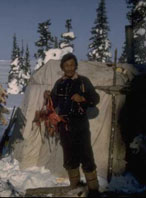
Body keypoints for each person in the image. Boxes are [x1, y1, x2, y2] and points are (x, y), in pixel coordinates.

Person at [44, 53, 100, 196]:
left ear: (75, 66)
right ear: (62, 67)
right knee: (69, 156)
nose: (69, 68)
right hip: (64, 125)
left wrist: (82, 98)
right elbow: (54, 103)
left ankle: (93, 190)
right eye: (66, 65)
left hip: (80, 124)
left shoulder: (83, 81)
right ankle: (76, 188)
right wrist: (48, 97)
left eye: (71, 65)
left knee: (86, 155)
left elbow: (95, 98)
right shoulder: (59, 83)